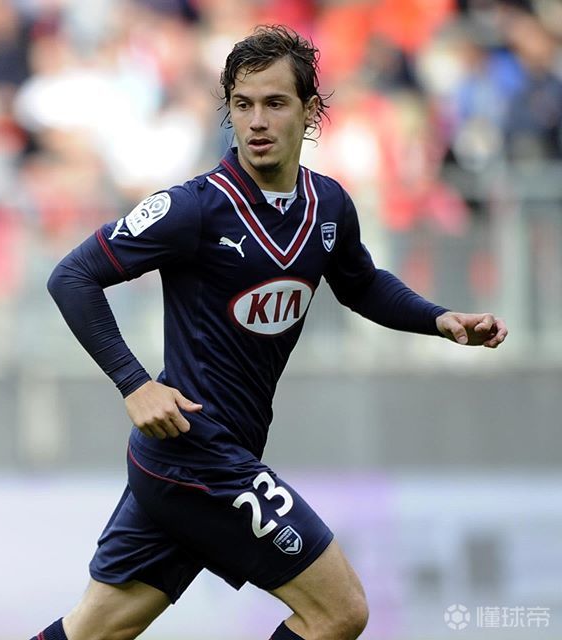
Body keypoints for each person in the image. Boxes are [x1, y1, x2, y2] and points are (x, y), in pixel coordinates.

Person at [33, 25, 507, 640]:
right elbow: (72, 277)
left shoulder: (328, 205)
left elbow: (360, 284)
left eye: (276, 103)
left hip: (207, 457)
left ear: (310, 111)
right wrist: (135, 383)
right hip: (197, 452)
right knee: (340, 611)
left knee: (93, 632)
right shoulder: (194, 207)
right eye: (243, 104)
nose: (256, 121)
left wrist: (437, 319)